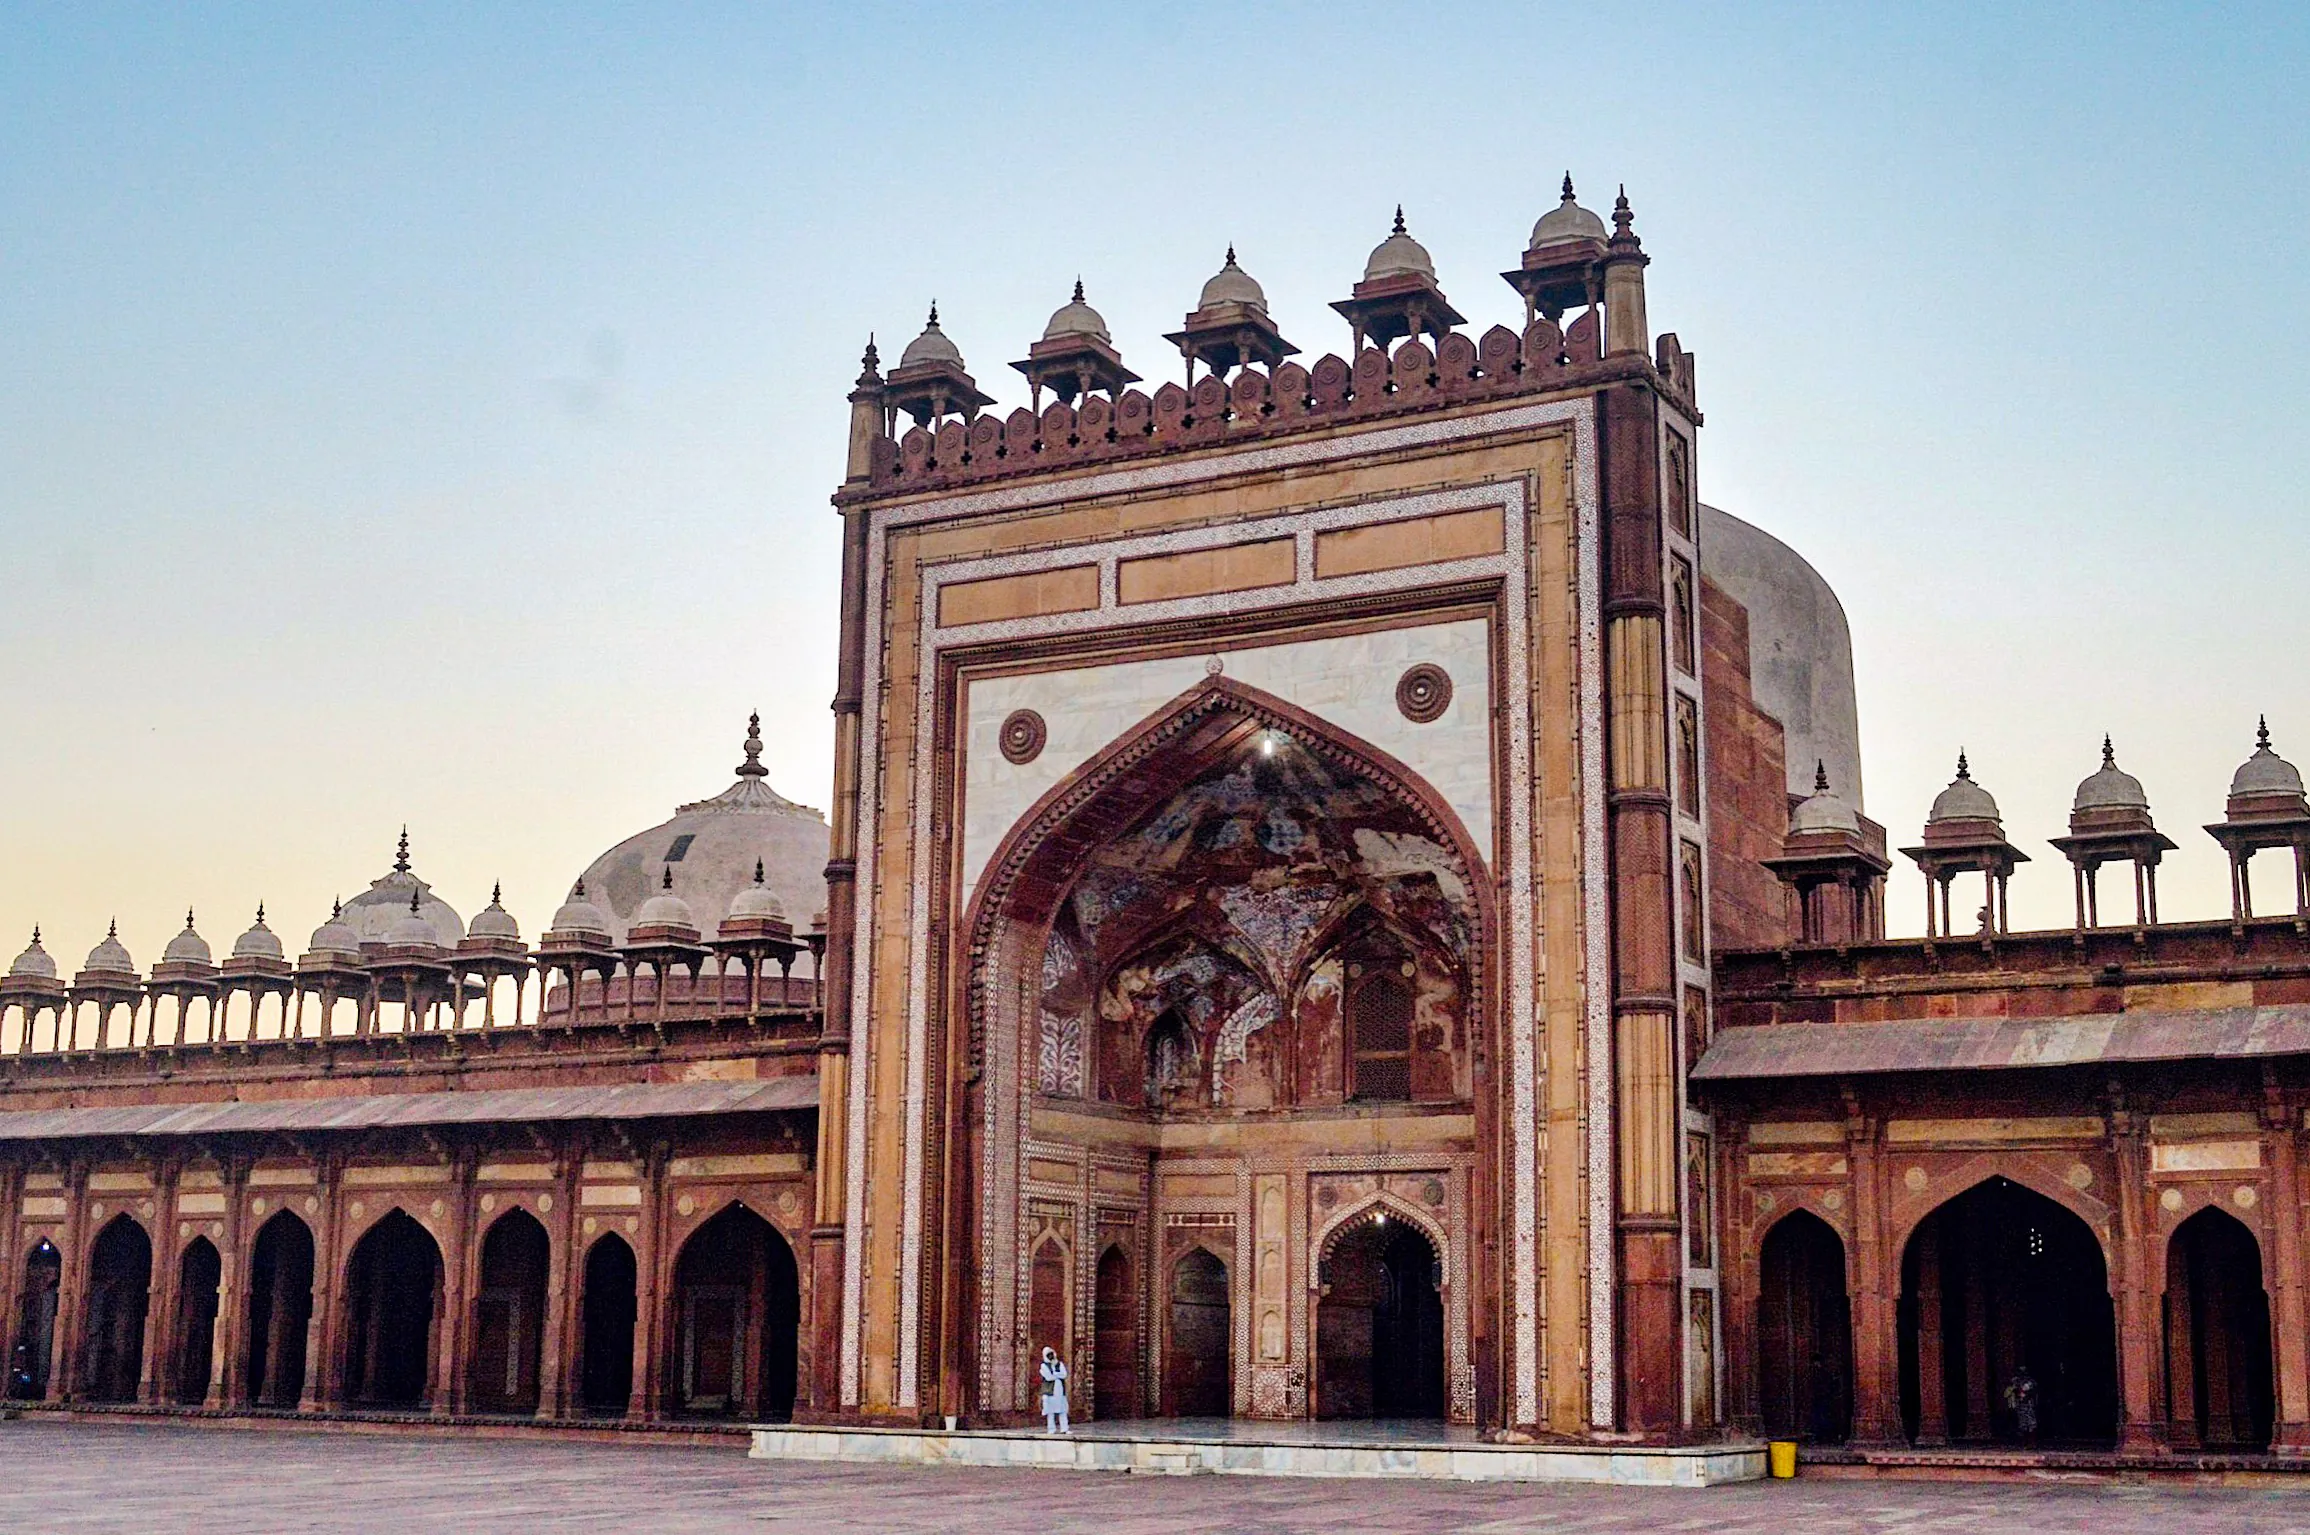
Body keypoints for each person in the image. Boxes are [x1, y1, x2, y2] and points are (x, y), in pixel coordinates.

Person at [2003, 1365, 2040, 1446]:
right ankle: (2024, 1441)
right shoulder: (2016, 1381)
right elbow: (2008, 1392)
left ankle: (2032, 1442)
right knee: (2022, 1424)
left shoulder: (2030, 1382)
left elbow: (2031, 1392)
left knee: (2031, 1424)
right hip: (2019, 1405)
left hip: (2029, 1404)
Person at [1039, 1346, 1071, 1435]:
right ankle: (1051, 1429)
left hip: (1060, 1390)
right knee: (1050, 1411)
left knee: (1063, 1410)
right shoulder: (1043, 1365)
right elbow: (1049, 1377)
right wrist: (1057, 1374)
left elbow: (1064, 1375)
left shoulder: (1059, 1364)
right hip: (1050, 1391)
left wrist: (1055, 1373)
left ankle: (1064, 1428)